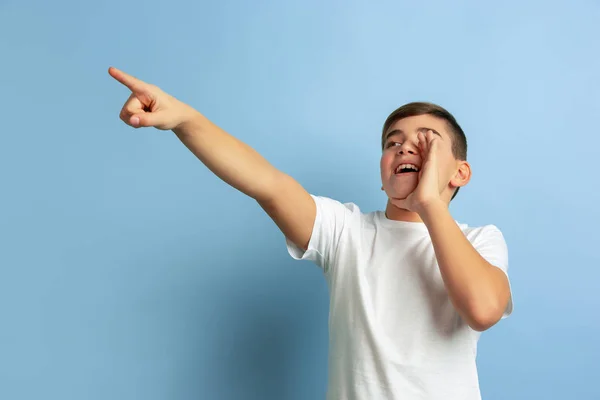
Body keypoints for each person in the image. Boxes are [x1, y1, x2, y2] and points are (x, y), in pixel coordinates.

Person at [108, 66, 513, 400]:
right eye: (393, 143)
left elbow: (482, 309)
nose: (404, 149)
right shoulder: (348, 232)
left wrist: (430, 203)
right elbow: (267, 183)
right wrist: (185, 119)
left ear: (460, 172)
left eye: (425, 142)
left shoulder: (480, 241)